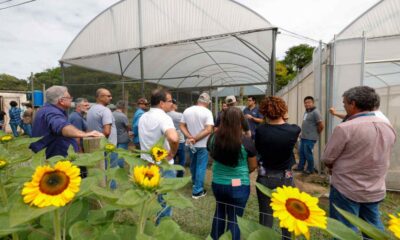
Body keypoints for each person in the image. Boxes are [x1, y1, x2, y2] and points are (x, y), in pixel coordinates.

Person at [322, 86, 396, 233]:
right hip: (375, 187)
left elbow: (327, 157)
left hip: (346, 187)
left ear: (353, 104)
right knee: (373, 228)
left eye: (345, 104)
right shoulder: (388, 126)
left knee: (345, 230)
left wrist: (331, 166)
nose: (344, 107)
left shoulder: (345, 128)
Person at [255, 96, 301, 239]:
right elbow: (286, 123)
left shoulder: (261, 130)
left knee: (266, 214)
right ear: (284, 110)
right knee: (287, 214)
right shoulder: (294, 130)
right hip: (285, 177)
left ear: (264, 112)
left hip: (265, 176)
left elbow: (258, 150)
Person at [207, 107, 257, 240]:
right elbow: (252, 166)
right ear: (241, 121)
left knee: (219, 212)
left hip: (218, 183)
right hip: (239, 185)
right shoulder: (246, 142)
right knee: (235, 219)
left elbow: (212, 155)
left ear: (223, 120)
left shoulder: (213, 138)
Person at [139, 88, 179, 223]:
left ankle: (146, 225)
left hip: (147, 164)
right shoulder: (164, 118)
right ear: (161, 103)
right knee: (165, 201)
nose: (172, 104)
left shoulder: (143, 116)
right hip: (163, 165)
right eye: (170, 101)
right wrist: (172, 153)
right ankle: (162, 229)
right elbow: (174, 138)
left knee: (148, 199)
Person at [29, 86, 103, 159]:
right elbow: (62, 126)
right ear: (61, 101)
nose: (71, 100)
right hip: (55, 161)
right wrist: (85, 134)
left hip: (52, 157)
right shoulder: (52, 112)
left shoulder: (47, 110)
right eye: (69, 98)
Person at [180, 92, 214, 199]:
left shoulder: (187, 110)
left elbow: (181, 126)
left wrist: (190, 137)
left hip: (190, 144)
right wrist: (195, 138)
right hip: (202, 144)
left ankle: (195, 183)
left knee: (193, 164)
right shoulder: (207, 112)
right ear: (207, 102)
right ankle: (197, 191)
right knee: (201, 166)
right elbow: (208, 129)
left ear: (198, 101)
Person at [87, 88, 121, 188]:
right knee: (111, 173)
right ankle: (111, 192)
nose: (111, 98)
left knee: (99, 172)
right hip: (109, 147)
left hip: (95, 146)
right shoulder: (105, 110)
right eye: (108, 96)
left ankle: (100, 190)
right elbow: (107, 131)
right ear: (101, 97)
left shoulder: (91, 110)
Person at [295, 96, 324, 174]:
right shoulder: (307, 111)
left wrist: (315, 134)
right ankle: (300, 167)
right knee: (301, 153)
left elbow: (321, 125)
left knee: (308, 154)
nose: (307, 104)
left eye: (309, 102)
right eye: (305, 103)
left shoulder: (315, 112)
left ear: (313, 102)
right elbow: (306, 123)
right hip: (304, 137)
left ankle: (310, 169)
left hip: (310, 138)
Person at [167, 99, 186, 177]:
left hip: (169, 140)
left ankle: (172, 174)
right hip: (180, 140)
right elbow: (184, 125)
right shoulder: (180, 115)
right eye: (176, 104)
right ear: (173, 105)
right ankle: (180, 175)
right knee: (181, 160)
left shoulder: (165, 115)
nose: (177, 105)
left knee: (171, 158)